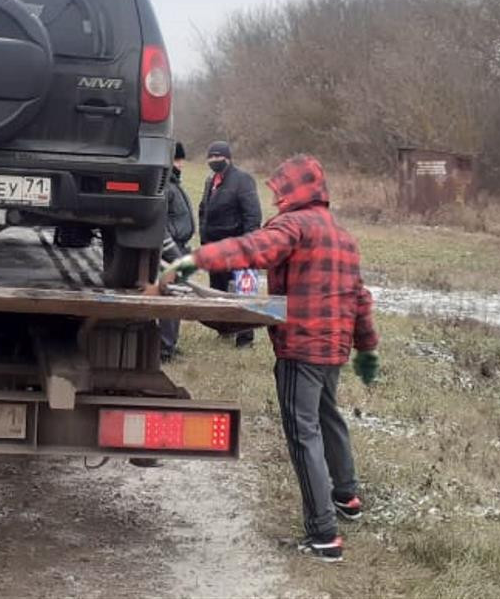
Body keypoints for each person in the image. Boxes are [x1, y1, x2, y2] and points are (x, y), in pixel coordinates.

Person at [163, 155, 380, 563]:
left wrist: (195, 260)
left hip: (301, 346)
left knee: (304, 433)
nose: (276, 196)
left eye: (281, 189)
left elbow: (253, 249)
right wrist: (366, 348)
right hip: (334, 347)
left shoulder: (294, 226)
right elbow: (361, 298)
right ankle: (347, 497)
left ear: (295, 191)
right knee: (328, 416)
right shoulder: (343, 236)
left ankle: (323, 536)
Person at [197, 140, 262, 347]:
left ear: (228, 158)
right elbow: (203, 211)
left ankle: (245, 338)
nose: (214, 160)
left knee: (244, 290)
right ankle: (224, 329)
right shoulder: (211, 181)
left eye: (219, 157)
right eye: (211, 157)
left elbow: (253, 215)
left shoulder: (243, 180)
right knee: (218, 290)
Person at [159, 142, 195, 360]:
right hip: (171, 251)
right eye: (178, 160)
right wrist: (173, 253)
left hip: (180, 247)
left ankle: (171, 343)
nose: (181, 164)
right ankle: (164, 348)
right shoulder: (167, 188)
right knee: (170, 299)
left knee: (178, 297)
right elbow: (160, 225)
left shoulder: (175, 184)